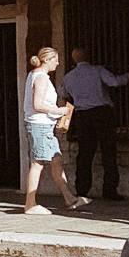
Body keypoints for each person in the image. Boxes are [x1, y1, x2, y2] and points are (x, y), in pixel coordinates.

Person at [61, 45, 129, 202]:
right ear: (88, 56)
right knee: (108, 151)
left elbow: (63, 93)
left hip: (82, 116)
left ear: (74, 59)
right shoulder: (98, 70)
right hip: (101, 113)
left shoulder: (69, 76)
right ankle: (109, 190)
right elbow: (114, 82)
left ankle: (82, 189)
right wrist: (128, 76)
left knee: (84, 153)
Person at [22, 47, 84, 213]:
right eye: (55, 59)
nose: (57, 63)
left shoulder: (35, 75)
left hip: (45, 125)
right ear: (47, 60)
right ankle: (30, 204)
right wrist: (59, 111)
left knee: (56, 160)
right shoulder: (41, 78)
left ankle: (68, 198)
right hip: (39, 125)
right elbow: (38, 104)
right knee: (37, 163)